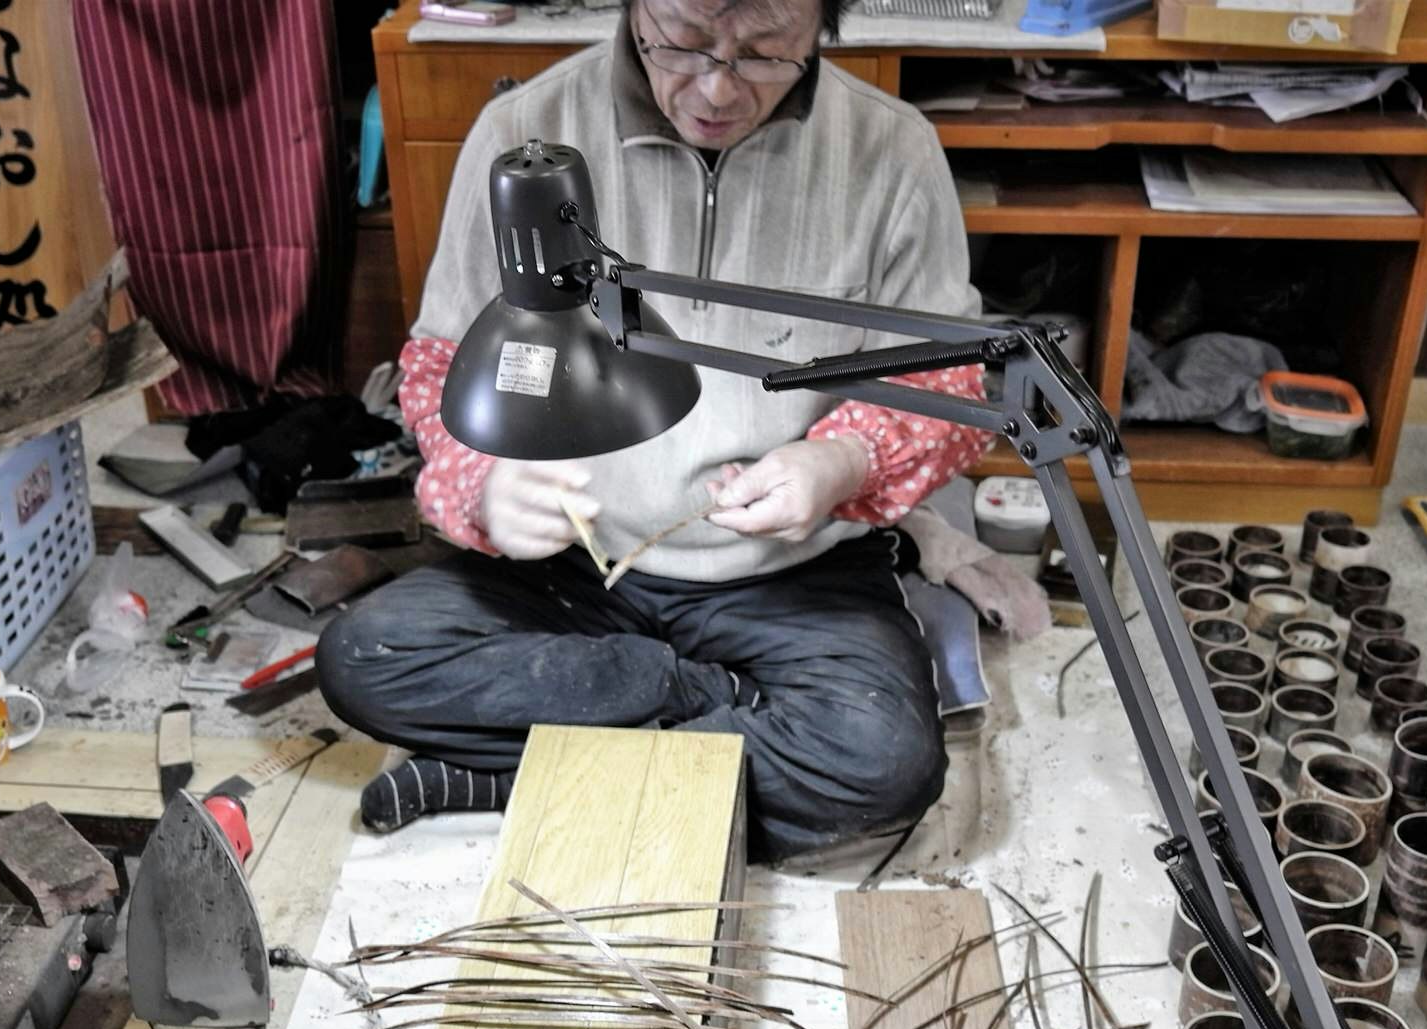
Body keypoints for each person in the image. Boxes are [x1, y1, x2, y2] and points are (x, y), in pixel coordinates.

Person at [316, 0, 999, 863]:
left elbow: (945, 378)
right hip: (580, 563)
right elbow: (444, 361)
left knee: (886, 764)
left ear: (821, 28)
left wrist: (844, 457)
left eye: (763, 54)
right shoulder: (527, 137)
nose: (716, 88)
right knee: (363, 657)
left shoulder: (891, 153)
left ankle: (507, 773)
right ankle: (711, 706)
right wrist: (481, 483)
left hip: (791, 574)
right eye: (681, 43)